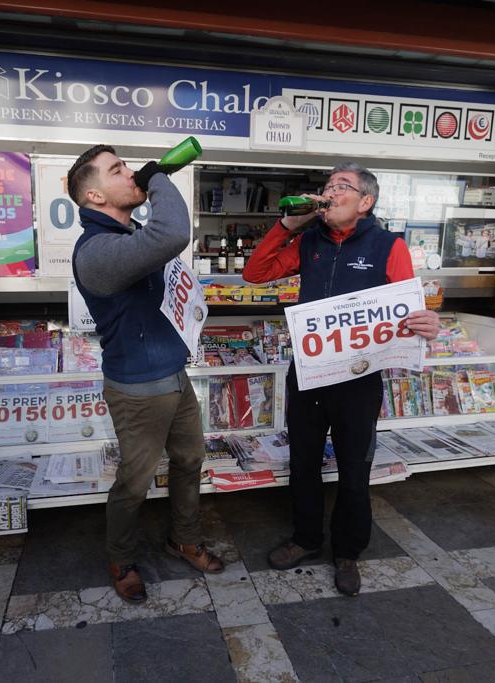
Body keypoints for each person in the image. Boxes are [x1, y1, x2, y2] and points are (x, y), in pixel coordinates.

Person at [243, 162, 440, 596]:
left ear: (365, 202)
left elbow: (407, 308)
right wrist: (286, 225)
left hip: (359, 381)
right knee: (304, 466)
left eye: (342, 187)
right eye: (327, 186)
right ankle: (306, 539)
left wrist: (427, 322)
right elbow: (254, 274)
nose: (329, 193)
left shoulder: (389, 246)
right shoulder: (309, 241)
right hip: (310, 376)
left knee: (354, 471)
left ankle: (348, 551)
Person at [68, 145, 224, 604]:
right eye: (118, 170)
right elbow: (174, 231)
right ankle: (121, 558)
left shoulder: (130, 232)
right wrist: (157, 175)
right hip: (137, 390)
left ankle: (184, 538)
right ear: (94, 195)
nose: (132, 173)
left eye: (130, 166)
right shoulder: (97, 252)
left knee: (190, 459)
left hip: (174, 378)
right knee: (134, 482)